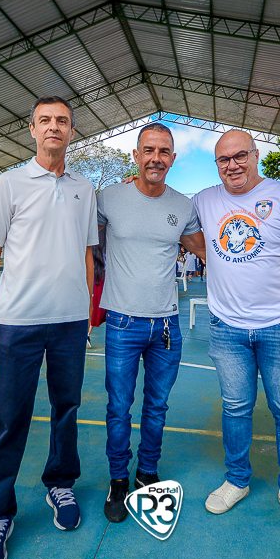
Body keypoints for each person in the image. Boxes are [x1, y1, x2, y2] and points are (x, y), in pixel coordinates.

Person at [0, 96, 98, 559]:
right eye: (45, 120)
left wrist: (87, 315)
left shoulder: (84, 188)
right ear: (31, 129)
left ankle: (60, 484)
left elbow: (87, 254)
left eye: (62, 121)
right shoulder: (9, 183)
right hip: (19, 322)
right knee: (9, 416)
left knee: (67, 408)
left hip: (69, 322)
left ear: (72, 131)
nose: (53, 127)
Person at [193, 129, 280, 537]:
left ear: (255, 155)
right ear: (217, 165)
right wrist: (139, 183)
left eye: (240, 156)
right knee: (235, 408)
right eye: (224, 159)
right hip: (227, 327)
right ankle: (237, 480)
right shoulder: (204, 200)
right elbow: (175, 218)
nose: (232, 165)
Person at [96, 122, 206, 523]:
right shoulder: (108, 198)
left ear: (173, 159)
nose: (155, 158)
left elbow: (209, 251)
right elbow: (79, 238)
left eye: (163, 152)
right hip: (122, 323)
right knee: (119, 407)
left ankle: (147, 472)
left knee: (157, 406)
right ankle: (117, 480)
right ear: (136, 155)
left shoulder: (184, 206)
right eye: (148, 150)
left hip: (166, 327)